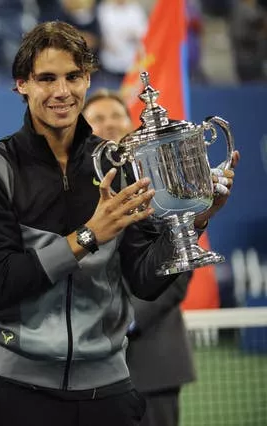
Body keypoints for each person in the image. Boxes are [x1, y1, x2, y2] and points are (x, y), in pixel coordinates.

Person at [0, 21, 238, 426]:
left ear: (87, 78)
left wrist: (198, 218)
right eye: (46, 79)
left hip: (110, 388)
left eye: (73, 77)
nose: (61, 91)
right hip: (18, 391)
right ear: (22, 85)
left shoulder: (119, 161)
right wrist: (87, 236)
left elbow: (143, 279)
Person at [83, 89, 196, 426]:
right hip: (87, 368)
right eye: (97, 118)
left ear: (131, 123)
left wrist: (125, 319)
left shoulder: (165, 178)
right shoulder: (70, 189)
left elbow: (180, 260)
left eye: (115, 116)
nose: (108, 124)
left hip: (152, 362)